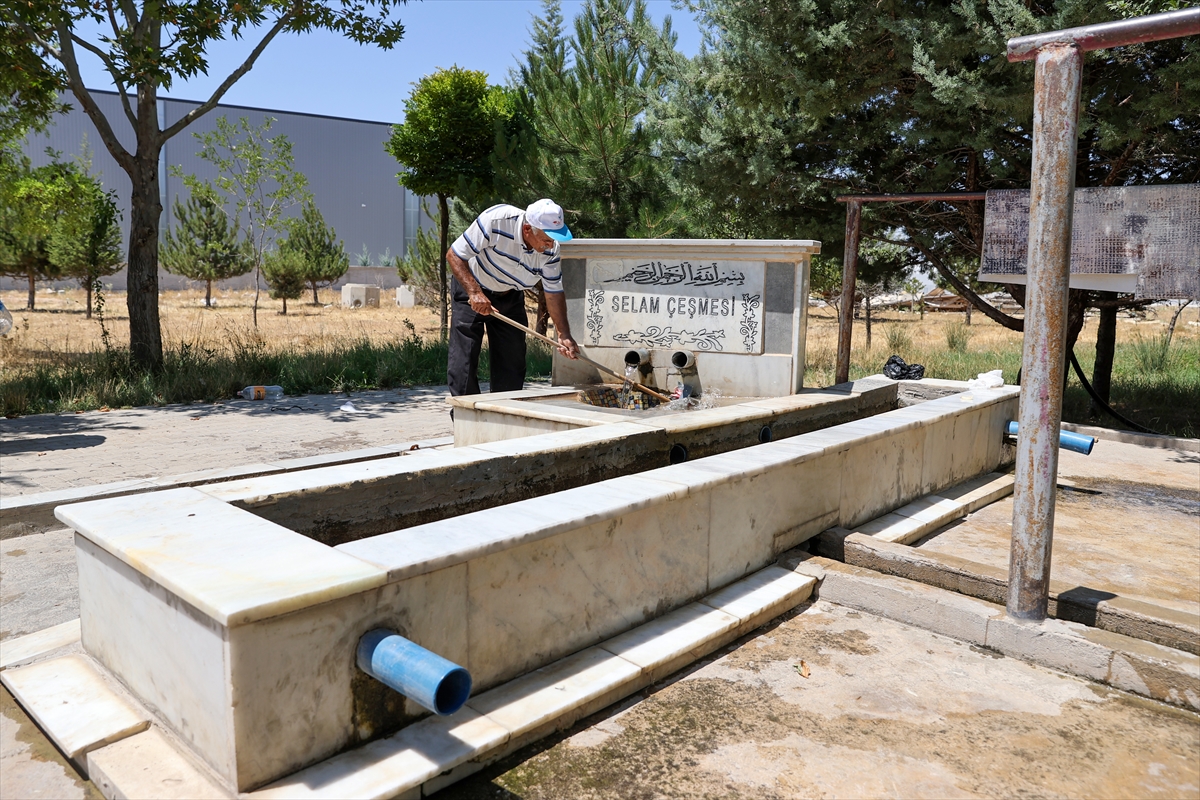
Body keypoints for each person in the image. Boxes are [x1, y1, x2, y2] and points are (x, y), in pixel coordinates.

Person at [445, 199, 580, 398]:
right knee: (463, 362)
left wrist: (564, 334)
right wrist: (474, 293)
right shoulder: (496, 220)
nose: (551, 244)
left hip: (510, 296)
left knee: (512, 362)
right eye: (547, 239)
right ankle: (466, 419)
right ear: (527, 229)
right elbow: (454, 255)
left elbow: (553, 291)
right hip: (472, 288)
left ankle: (504, 417)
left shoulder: (552, 250)